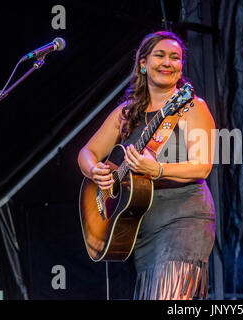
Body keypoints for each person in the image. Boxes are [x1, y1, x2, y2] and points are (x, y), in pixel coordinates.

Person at [77, 31, 216, 300]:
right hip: (140, 224)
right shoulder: (126, 113)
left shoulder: (191, 107)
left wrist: (159, 170)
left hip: (184, 219)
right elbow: (87, 152)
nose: (168, 62)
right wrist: (95, 170)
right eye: (160, 55)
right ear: (143, 63)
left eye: (175, 57)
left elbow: (203, 166)